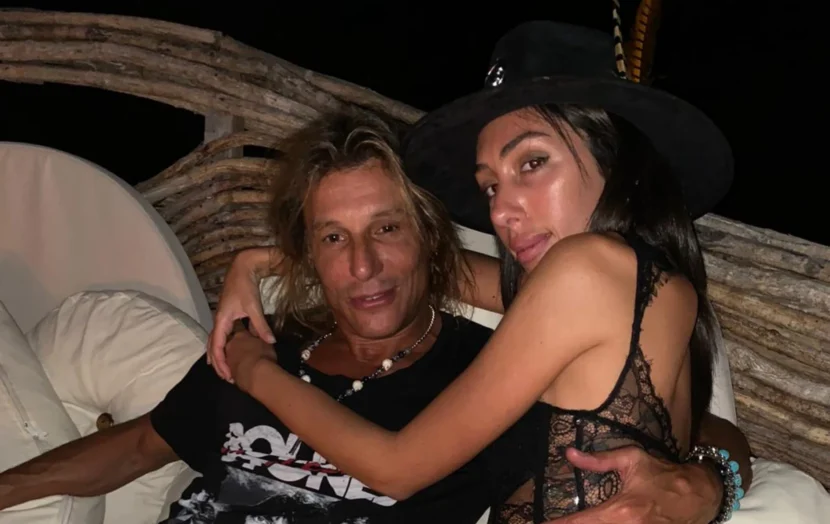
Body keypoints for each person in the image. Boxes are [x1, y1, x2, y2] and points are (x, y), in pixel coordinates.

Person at [210, 20, 751, 524]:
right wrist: (258, 262)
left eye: (532, 163)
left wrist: (255, 368)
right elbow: (430, 271)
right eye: (491, 185)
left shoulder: (584, 271)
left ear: (614, 156)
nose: (501, 212)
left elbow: (396, 468)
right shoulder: (656, 282)